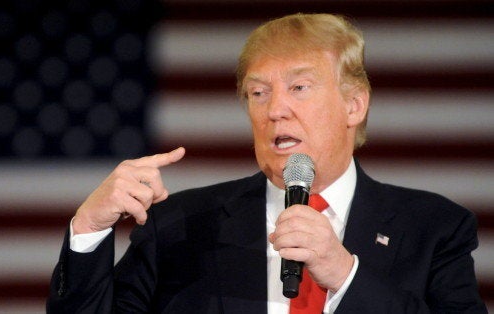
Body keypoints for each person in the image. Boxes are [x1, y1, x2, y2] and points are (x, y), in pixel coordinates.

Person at [47, 13, 486, 313]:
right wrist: (88, 229)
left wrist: (345, 275)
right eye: (258, 93)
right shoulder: (179, 227)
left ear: (354, 105)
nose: (275, 110)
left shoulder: (435, 228)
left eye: (298, 88)